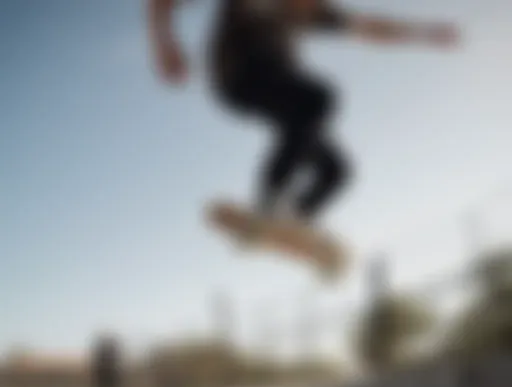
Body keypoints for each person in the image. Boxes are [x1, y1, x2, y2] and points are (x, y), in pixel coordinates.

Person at [148, 0, 460, 226]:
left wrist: (424, 34)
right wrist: (164, 43)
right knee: (318, 98)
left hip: (283, 93)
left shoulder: (315, 12)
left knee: (336, 172)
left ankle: (295, 222)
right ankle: (269, 201)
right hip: (238, 76)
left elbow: (371, 28)